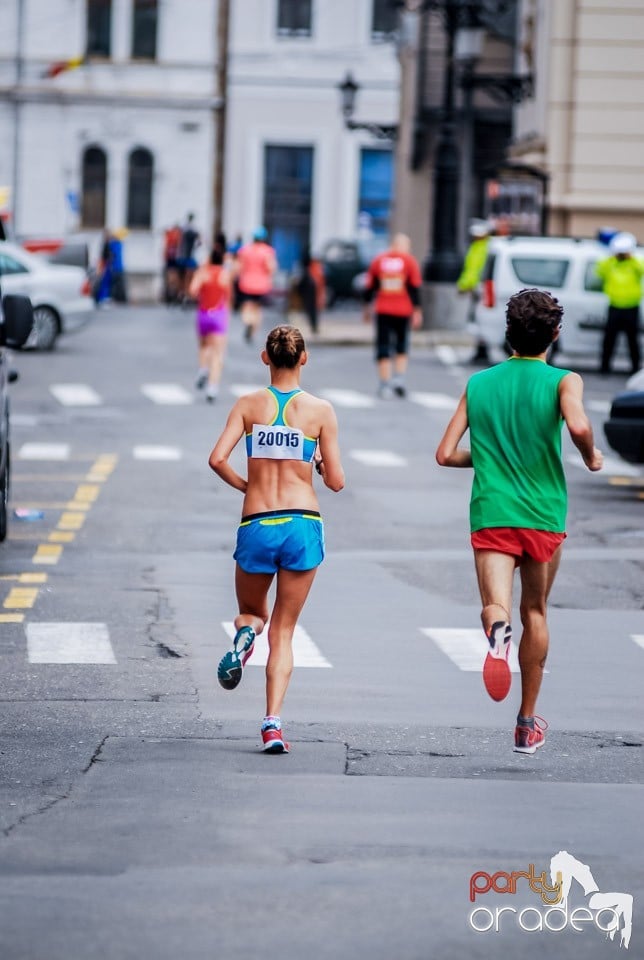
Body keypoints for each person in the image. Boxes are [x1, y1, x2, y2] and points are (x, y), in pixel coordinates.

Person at [435, 288, 603, 754]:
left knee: (498, 606)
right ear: (555, 334)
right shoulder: (564, 381)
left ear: (508, 333)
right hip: (544, 515)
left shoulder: (479, 384)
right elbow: (581, 426)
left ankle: (496, 634)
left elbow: (445, 454)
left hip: (493, 511)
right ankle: (527, 724)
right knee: (536, 612)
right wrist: (590, 456)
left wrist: (488, 457)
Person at [208, 325, 344, 753]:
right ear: (303, 359)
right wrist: (319, 463)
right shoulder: (320, 411)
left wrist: (246, 486)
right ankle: (272, 725)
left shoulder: (248, 405)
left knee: (251, 612)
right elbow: (337, 483)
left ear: (265, 358)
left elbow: (216, 458)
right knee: (283, 632)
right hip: (302, 523)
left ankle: (245, 637)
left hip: (258, 521)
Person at [362, 233, 422, 398]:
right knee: (401, 345)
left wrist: (367, 308)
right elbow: (414, 288)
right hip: (403, 309)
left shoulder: (379, 261)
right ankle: (399, 379)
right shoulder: (409, 262)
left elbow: (370, 287)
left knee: (383, 346)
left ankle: (384, 383)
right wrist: (417, 311)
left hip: (383, 309)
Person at [595, 231, 643, 375]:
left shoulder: (635, 264)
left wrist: (631, 256)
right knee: (609, 339)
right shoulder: (610, 263)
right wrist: (612, 255)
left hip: (632, 307)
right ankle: (604, 367)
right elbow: (600, 270)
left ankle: (634, 368)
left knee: (632, 341)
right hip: (614, 306)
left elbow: (641, 269)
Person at [189, 246, 232, 403]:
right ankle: (212, 388)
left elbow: (192, 290)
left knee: (204, 346)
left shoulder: (203, 273)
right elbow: (228, 297)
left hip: (203, 314)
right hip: (218, 315)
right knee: (218, 353)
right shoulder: (224, 274)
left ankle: (202, 369)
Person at [457, 219, 493, 364]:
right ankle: (481, 349)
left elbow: (473, 271)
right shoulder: (480, 247)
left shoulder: (482, 248)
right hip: (479, 288)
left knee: (480, 319)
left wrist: (464, 285)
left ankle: (482, 350)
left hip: (480, 289)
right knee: (478, 320)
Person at [235, 227, 277, 343]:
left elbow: (239, 267)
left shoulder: (244, 250)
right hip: (261, 285)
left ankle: (248, 322)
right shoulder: (267, 251)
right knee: (257, 308)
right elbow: (271, 268)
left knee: (247, 306)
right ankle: (253, 327)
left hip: (246, 284)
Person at [295, 247, 326, 334]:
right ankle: (314, 326)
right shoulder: (314, 268)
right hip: (312, 289)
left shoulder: (313, 268)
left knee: (312, 309)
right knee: (312, 309)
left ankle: (314, 326)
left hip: (312, 289)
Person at [178, 213, 201, 300]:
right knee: (190, 276)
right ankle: (189, 293)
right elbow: (199, 243)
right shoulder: (193, 230)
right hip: (189, 257)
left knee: (182, 277)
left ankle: (182, 293)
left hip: (181, 257)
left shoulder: (183, 228)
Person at [163, 223, 183, 304]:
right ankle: (174, 294)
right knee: (174, 277)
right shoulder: (178, 236)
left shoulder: (169, 235)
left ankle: (171, 293)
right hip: (175, 259)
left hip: (170, 259)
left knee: (171, 277)